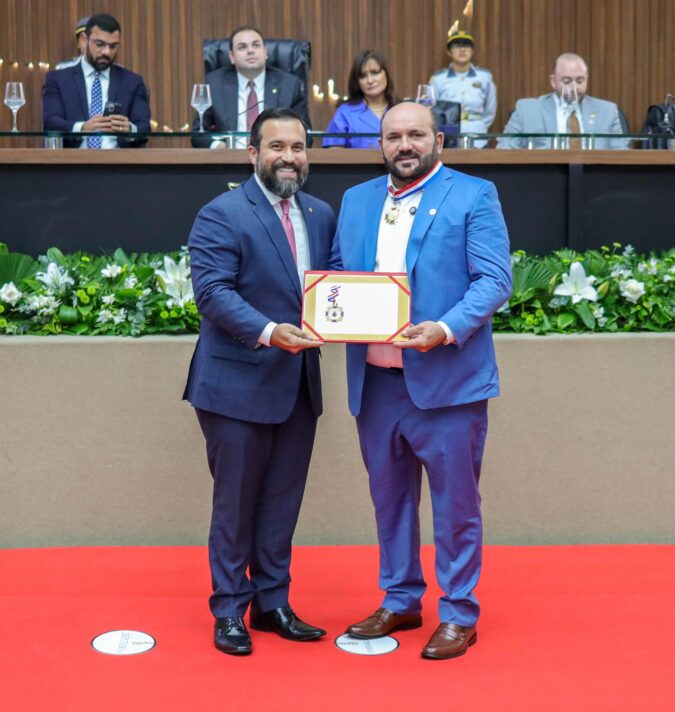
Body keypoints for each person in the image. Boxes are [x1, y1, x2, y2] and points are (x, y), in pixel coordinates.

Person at [331, 102, 512, 660]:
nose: (404, 145)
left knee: (456, 504)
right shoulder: (356, 200)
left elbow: (494, 279)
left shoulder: (473, 194)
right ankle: (402, 599)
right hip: (377, 383)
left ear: (438, 139)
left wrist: (446, 327)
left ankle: (459, 612)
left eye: (415, 134)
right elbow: (339, 274)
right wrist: (329, 312)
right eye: (393, 137)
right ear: (379, 145)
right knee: (389, 500)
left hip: (447, 381)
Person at [183, 107, 336, 656]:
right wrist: (271, 331)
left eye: (297, 147)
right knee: (236, 503)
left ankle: (272, 603)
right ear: (253, 154)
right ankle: (229, 609)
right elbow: (213, 294)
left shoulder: (320, 213)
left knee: (281, 501)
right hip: (236, 386)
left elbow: (335, 287)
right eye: (276, 147)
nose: (288, 157)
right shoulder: (222, 213)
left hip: (298, 385)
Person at [41, 13, 150, 149]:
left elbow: (144, 127)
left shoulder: (132, 82)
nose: (107, 52)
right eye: (100, 44)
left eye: (113, 46)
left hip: (119, 165)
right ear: (84, 40)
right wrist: (82, 128)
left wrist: (130, 129)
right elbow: (50, 122)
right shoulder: (58, 79)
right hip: (73, 164)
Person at [192, 26, 311, 149]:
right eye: (242, 47)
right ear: (232, 57)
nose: (250, 51)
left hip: (276, 161)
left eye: (256, 45)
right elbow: (198, 133)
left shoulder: (290, 85)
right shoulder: (214, 84)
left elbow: (305, 134)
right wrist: (218, 146)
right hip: (229, 160)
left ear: (265, 52)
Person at [496, 53, 626, 149]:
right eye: (566, 81)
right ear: (553, 81)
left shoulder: (608, 111)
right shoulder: (527, 110)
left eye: (580, 80)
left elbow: (623, 155)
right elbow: (504, 149)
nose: (574, 87)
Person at [429, 30, 497, 148]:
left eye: (466, 45)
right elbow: (432, 110)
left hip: (478, 135)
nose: (462, 49)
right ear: (449, 52)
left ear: (472, 51)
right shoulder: (438, 79)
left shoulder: (484, 77)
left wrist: (480, 125)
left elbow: (490, 111)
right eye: (456, 46)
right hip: (448, 137)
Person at [322, 50, 395, 149]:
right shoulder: (345, 113)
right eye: (363, 76)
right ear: (357, 82)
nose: (370, 80)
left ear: (386, 74)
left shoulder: (400, 109)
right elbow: (334, 156)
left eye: (375, 73)